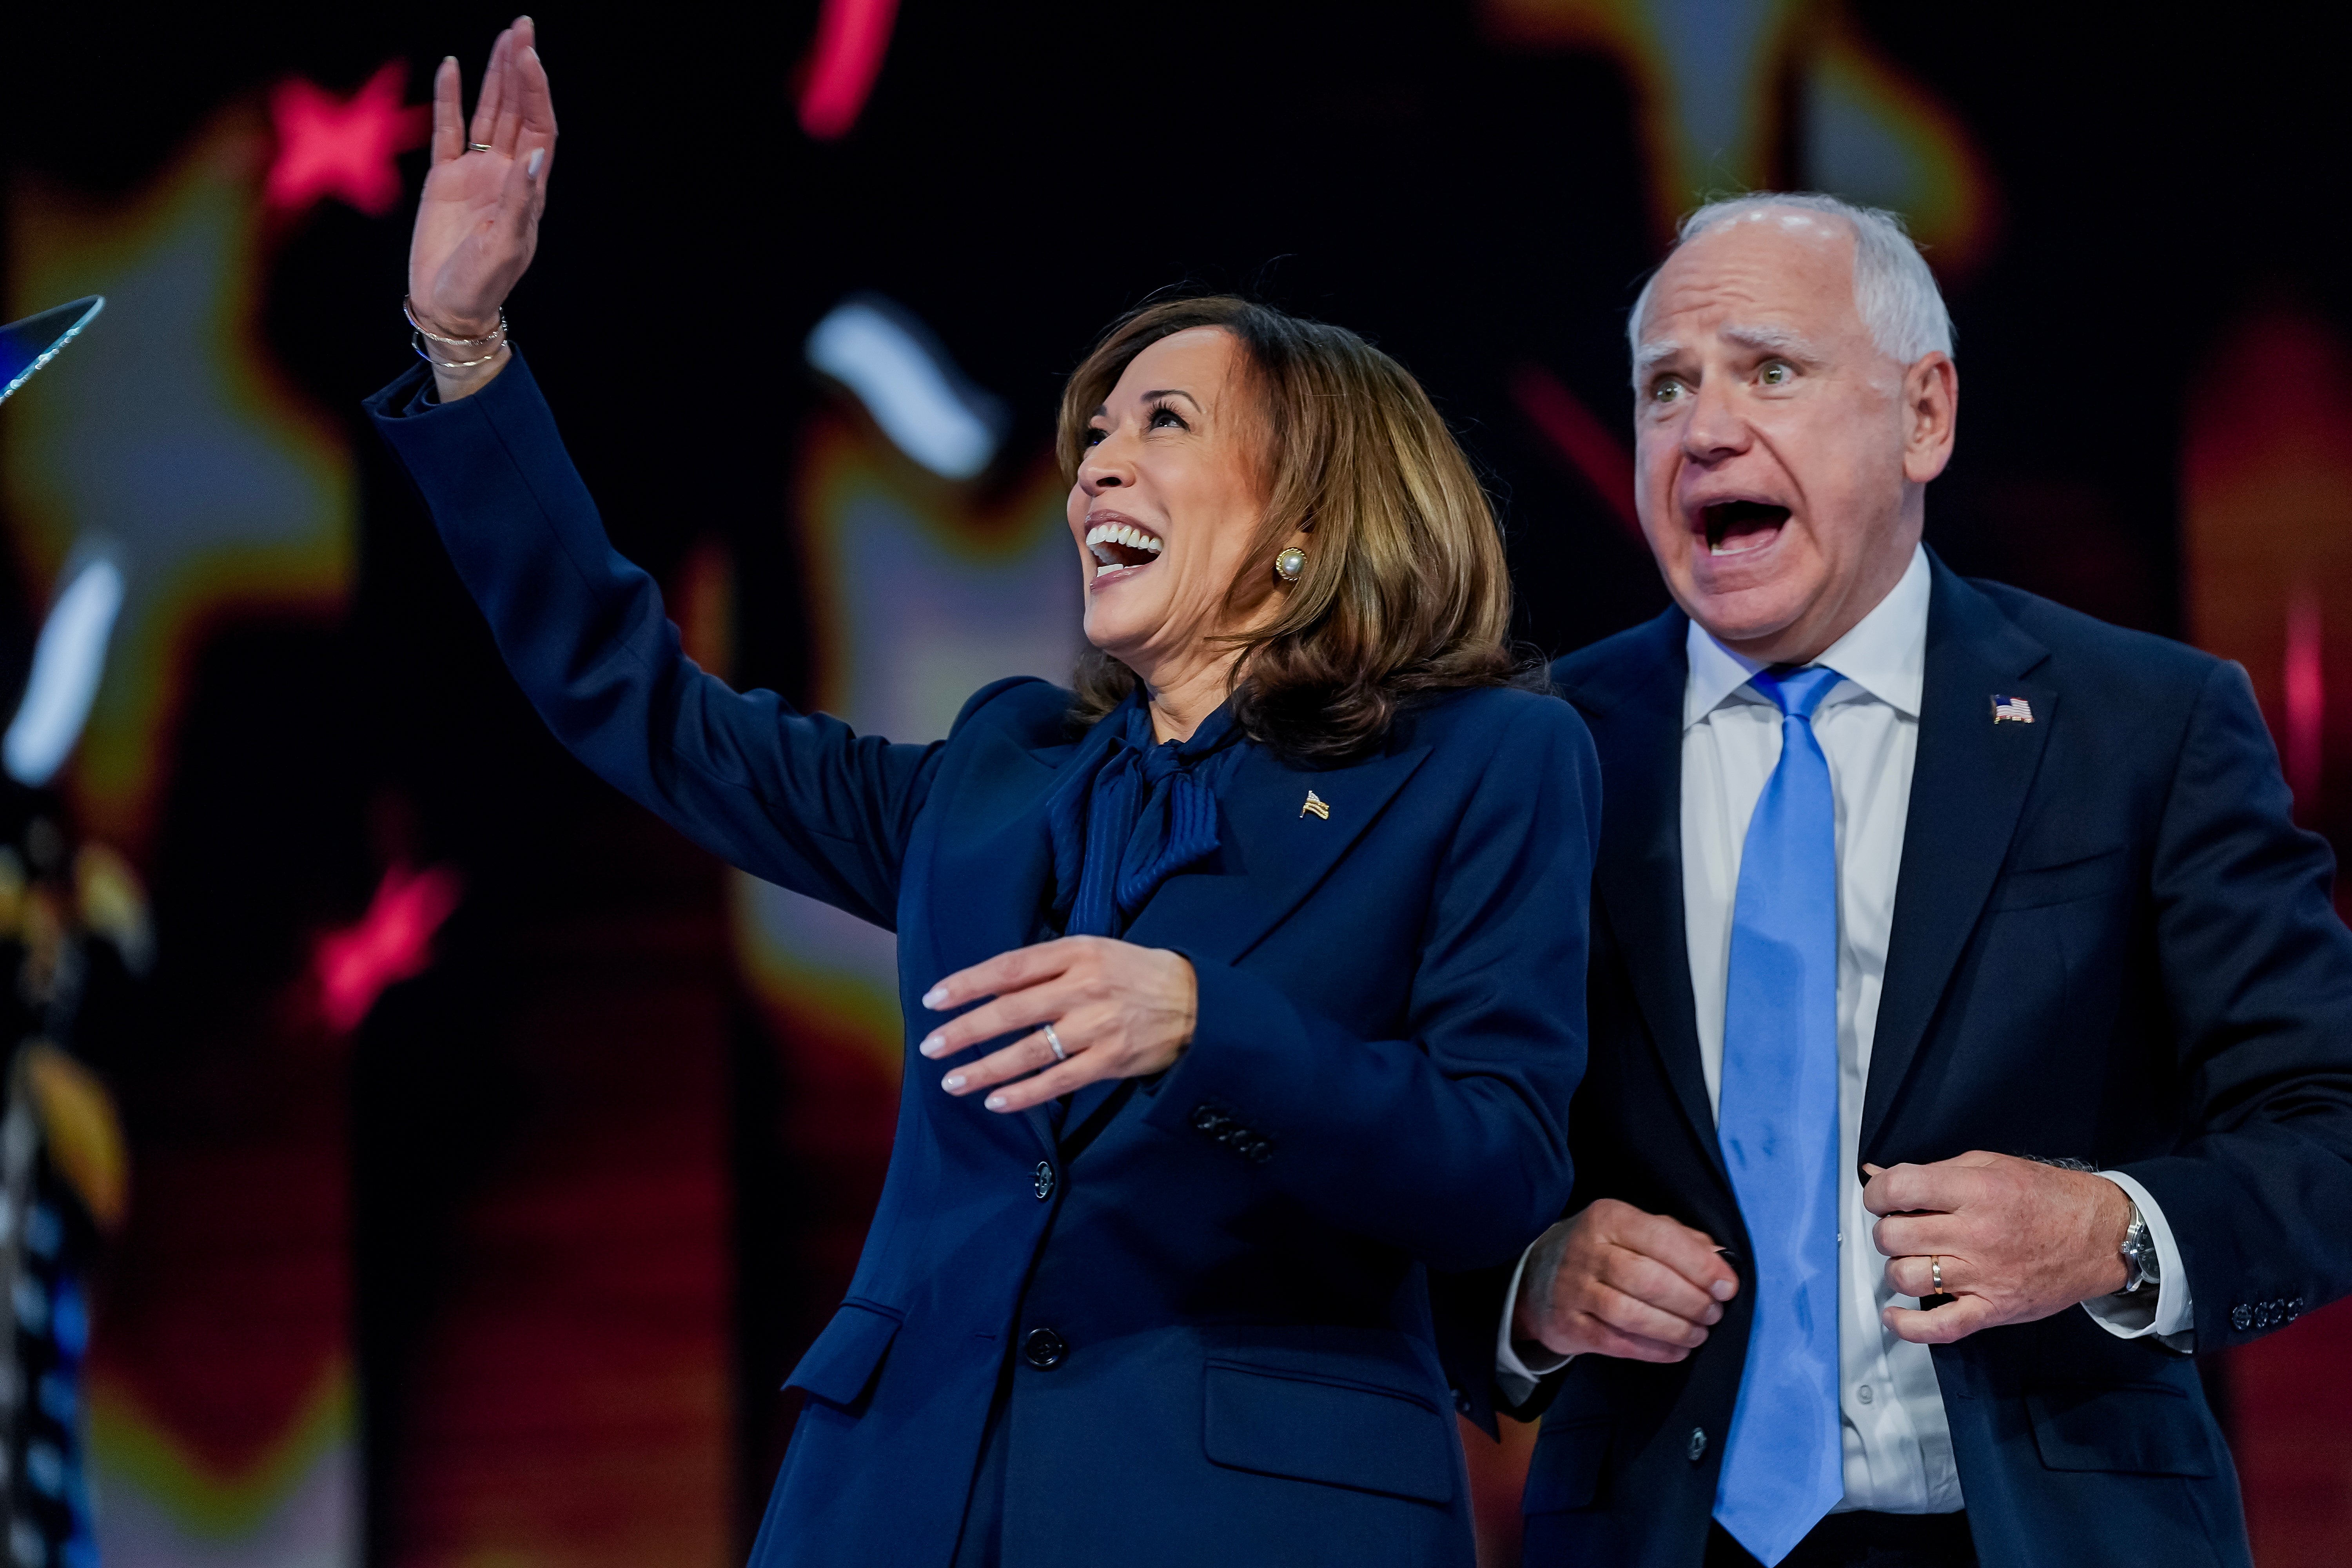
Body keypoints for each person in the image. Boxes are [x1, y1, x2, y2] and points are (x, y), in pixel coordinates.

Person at [367, 22, 1599, 1568]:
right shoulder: (999, 773)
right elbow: (643, 706)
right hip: (898, 1502)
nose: (1093, 468)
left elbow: (1496, 1166)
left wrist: (1205, 1026)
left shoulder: (1486, 761)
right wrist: (464, 345)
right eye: (1090, 436)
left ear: (1308, 517)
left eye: (1163, 425)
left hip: (1240, 1519)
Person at [1452, 192, 2352, 1568]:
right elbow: (1418, 1145)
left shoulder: (2142, 725)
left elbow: (2326, 1124)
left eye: (1770, 371)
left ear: (1924, 415)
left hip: (2046, 1527)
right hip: (1653, 1532)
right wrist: (1526, 1287)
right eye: (1664, 389)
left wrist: (2108, 1229)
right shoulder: (1536, 751)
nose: (1704, 432)